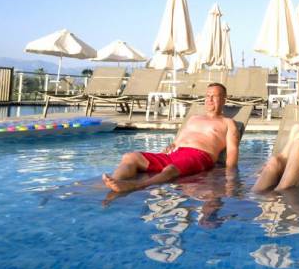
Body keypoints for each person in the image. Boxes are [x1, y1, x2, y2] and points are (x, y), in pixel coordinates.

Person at [102, 83, 240, 193]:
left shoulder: (228, 123)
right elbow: (178, 140)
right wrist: (172, 145)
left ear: (224, 99)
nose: (209, 99)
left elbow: (232, 152)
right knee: (131, 157)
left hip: (199, 156)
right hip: (174, 154)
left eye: (214, 96)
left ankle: (135, 186)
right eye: (208, 95)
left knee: (171, 169)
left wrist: (229, 177)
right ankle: (113, 180)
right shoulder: (193, 118)